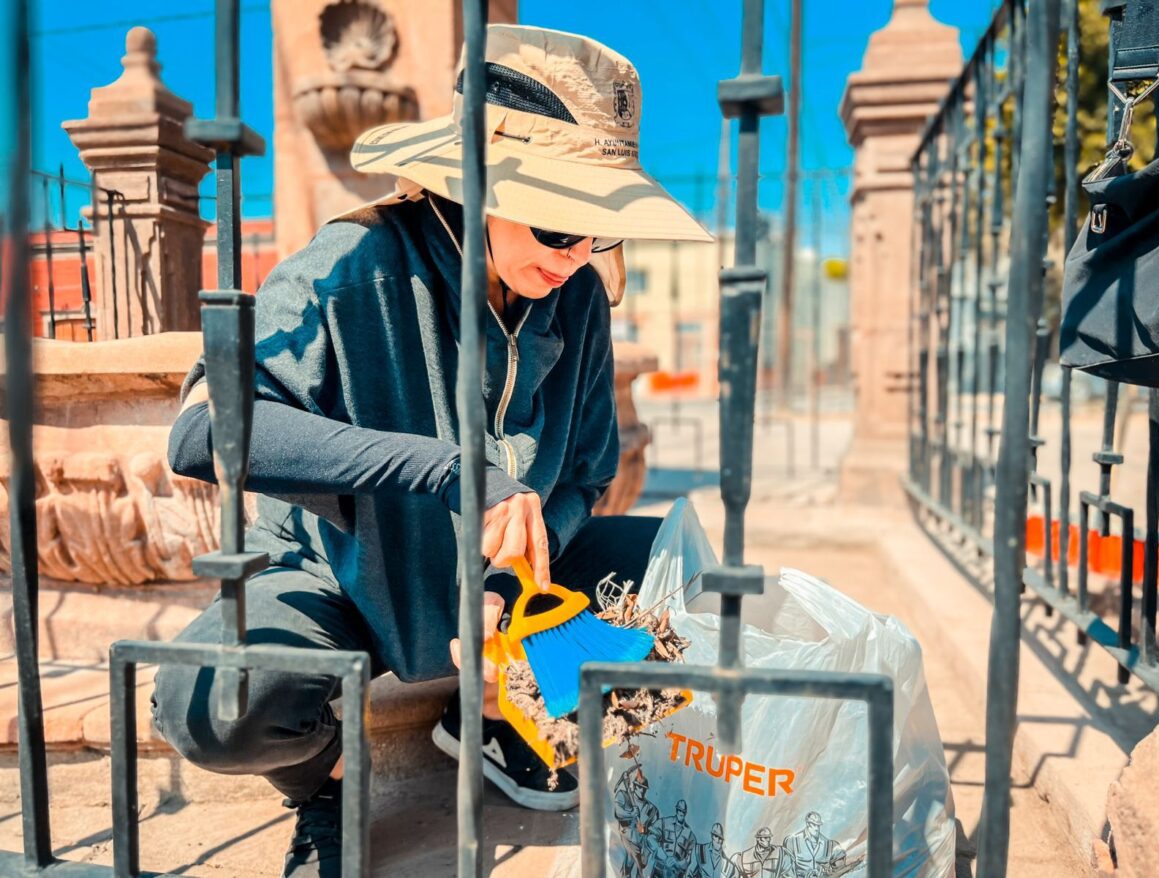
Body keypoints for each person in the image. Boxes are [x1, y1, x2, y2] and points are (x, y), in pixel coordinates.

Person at [149, 22, 710, 878]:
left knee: (694, 577)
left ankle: (501, 724)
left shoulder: (578, 297)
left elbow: (588, 472)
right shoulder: (351, 263)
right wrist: (451, 471)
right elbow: (201, 432)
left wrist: (505, 584)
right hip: (346, 576)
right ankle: (328, 788)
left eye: (598, 232)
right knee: (219, 703)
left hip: (511, 586)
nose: (578, 258)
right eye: (559, 228)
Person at [779, 812, 845, 878]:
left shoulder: (830, 844)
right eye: (813, 825)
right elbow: (786, 870)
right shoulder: (792, 841)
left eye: (818, 825)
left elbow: (840, 868)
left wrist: (826, 873)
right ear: (807, 823)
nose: (816, 828)